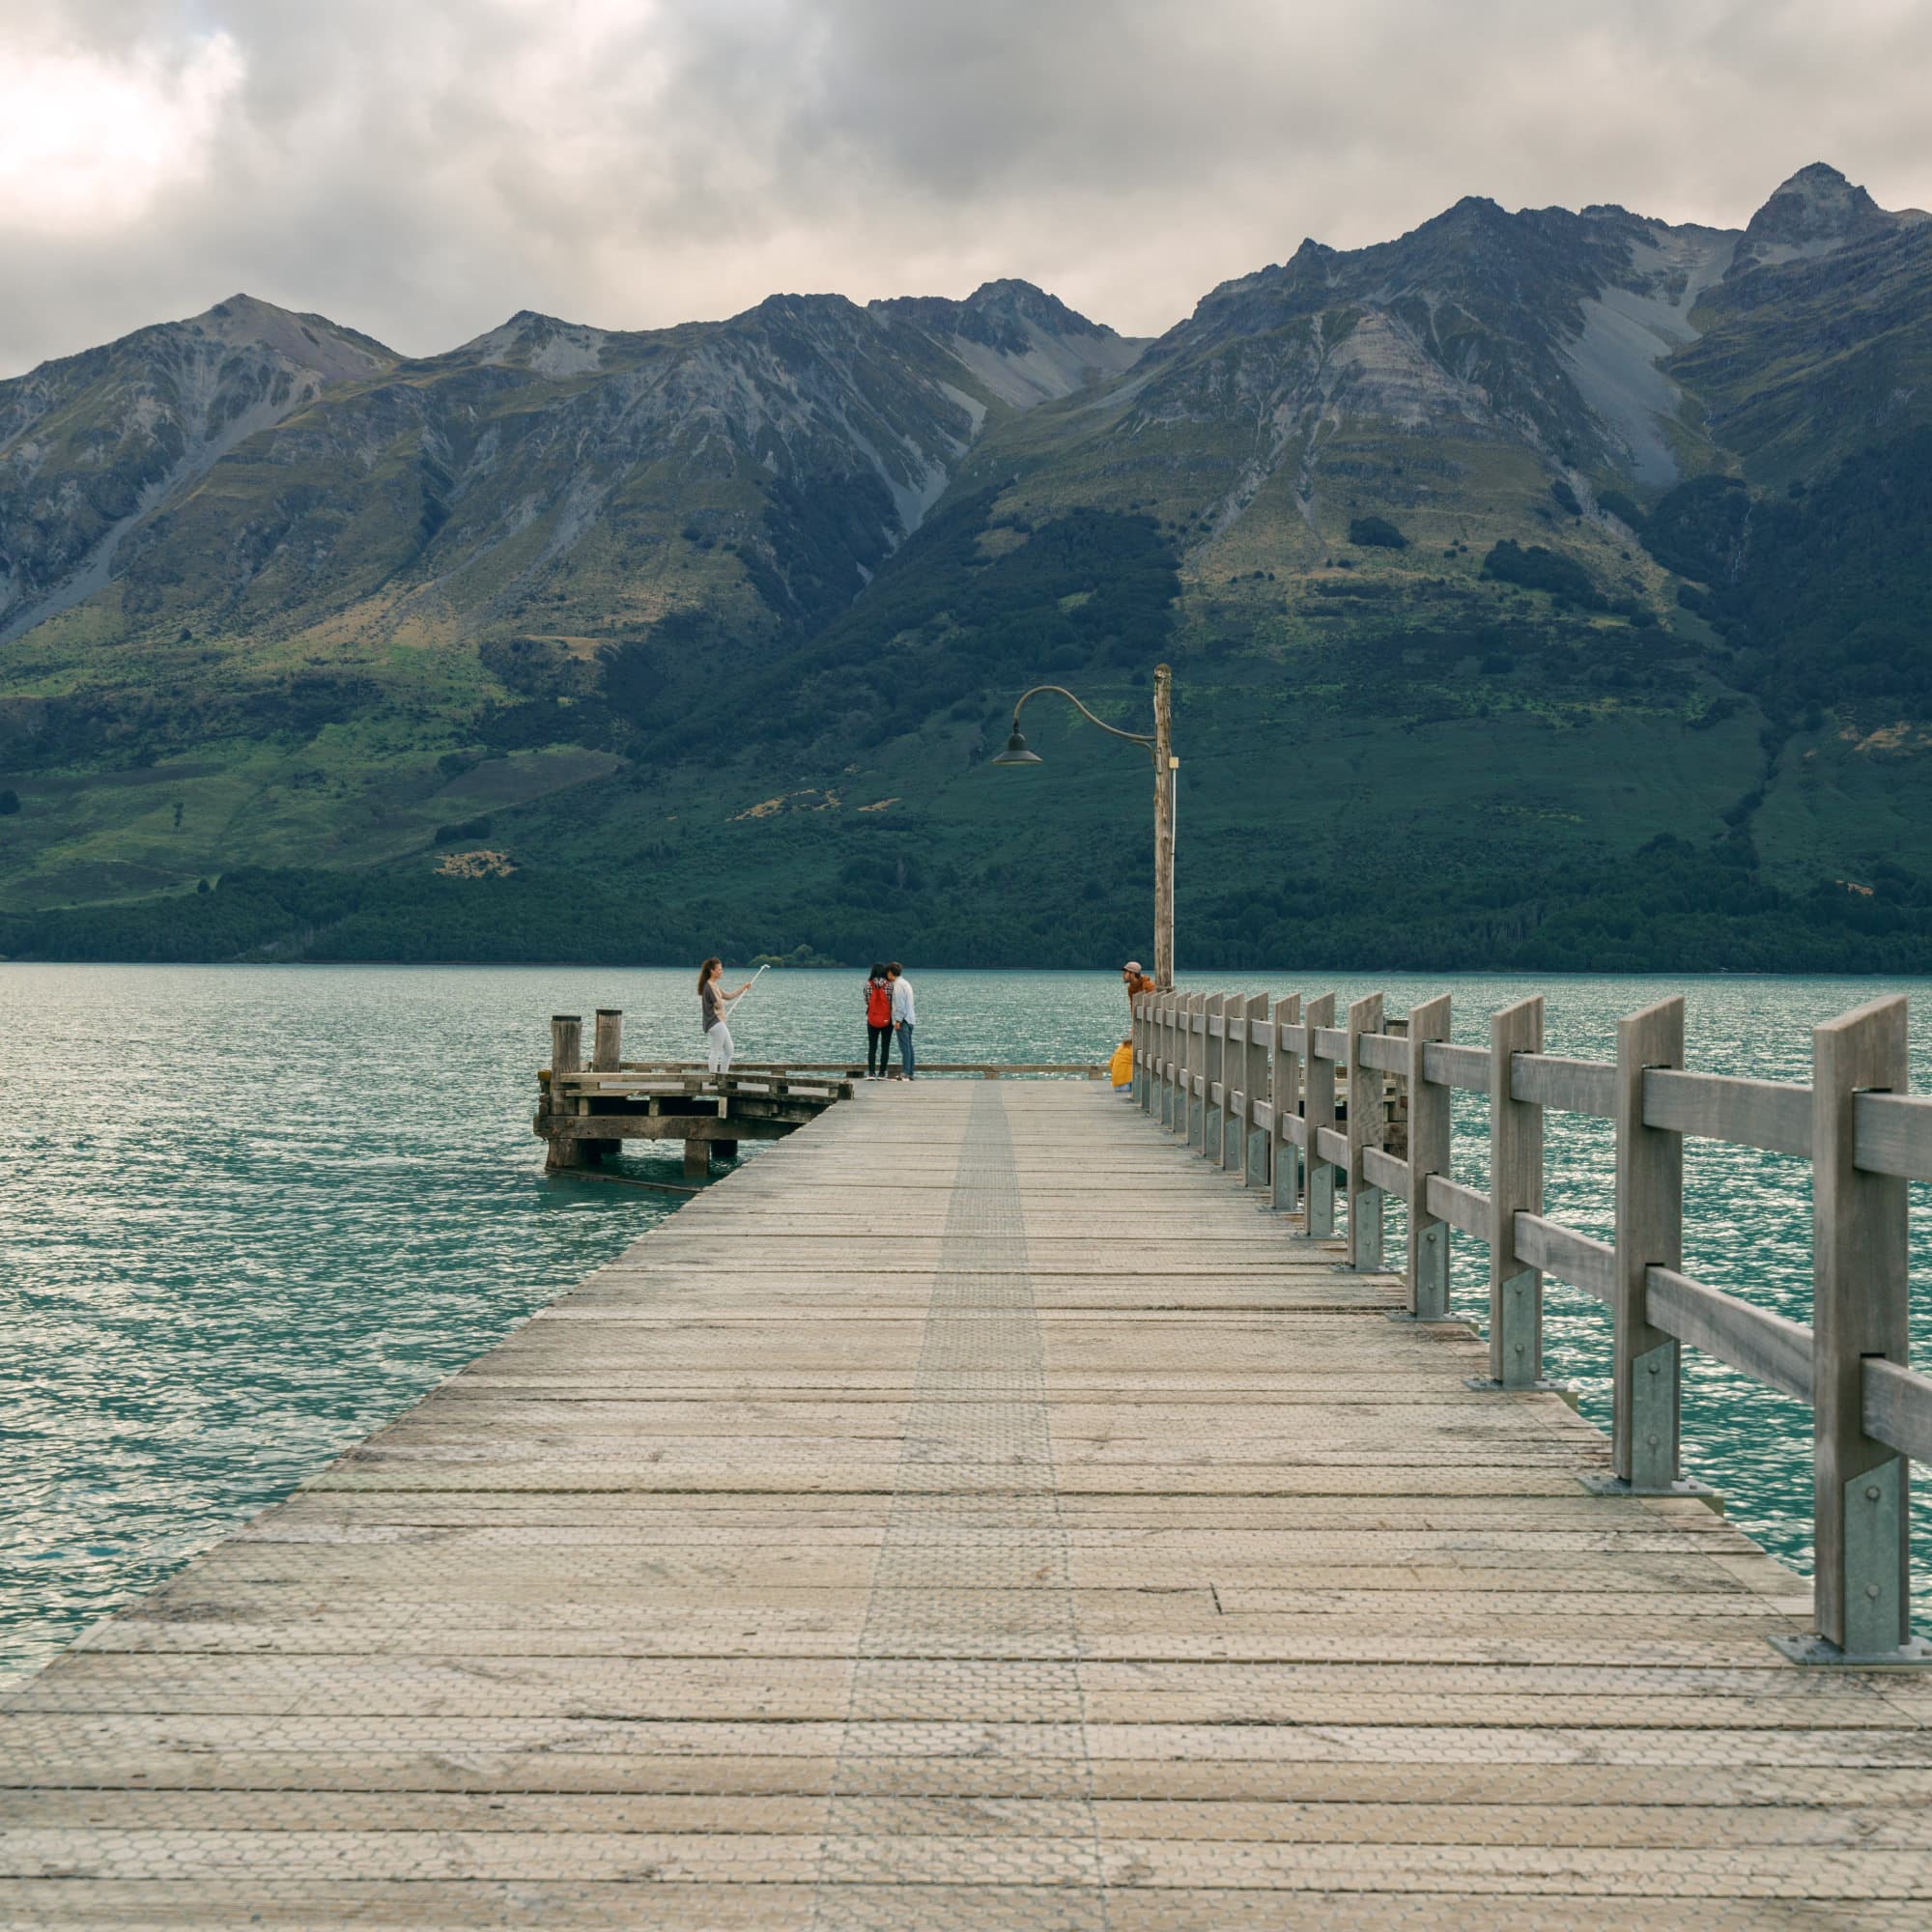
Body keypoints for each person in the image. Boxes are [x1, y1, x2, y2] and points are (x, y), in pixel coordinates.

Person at [697, 957, 753, 1074]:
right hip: (715, 1022)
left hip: (719, 1022)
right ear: (712, 971)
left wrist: (743, 988)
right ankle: (712, 1077)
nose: (721, 971)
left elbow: (728, 996)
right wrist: (721, 1004)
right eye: (719, 969)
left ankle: (723, 1075)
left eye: (721, 969)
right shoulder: (708, 986)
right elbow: (718, 1004)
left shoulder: (714, 985)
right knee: (716, 1050)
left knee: (729, 1049)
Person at [864, 964, 894, 1079]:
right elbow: (892, 1002)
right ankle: (882, 1073)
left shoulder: (868, 984)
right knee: (885, 1046)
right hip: (887, 1019)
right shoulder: (890, 985)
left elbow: (867, 1001)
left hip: (872, 1019)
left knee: (872, 1046)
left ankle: (871, 1073)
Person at [887, 961, 916, 1080]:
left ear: (890, 972)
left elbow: (900, 1005)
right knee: (909, 1047)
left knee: (904, 1048)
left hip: (903, 1020)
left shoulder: (898, 985)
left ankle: (905, 1073)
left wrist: (898, 1020)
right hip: (910, 1019)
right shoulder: (906, 983)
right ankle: (910, 1073)